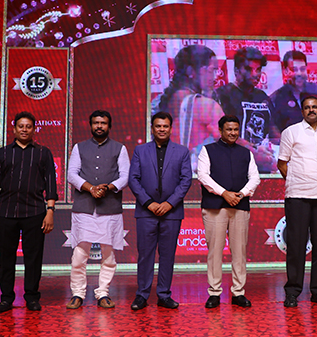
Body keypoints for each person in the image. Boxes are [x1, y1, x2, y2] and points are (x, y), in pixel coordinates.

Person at [0, 112, 57, 313]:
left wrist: (50, 211)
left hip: (35, 213)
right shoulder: (2, 154)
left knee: (33, 258)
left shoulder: (43, 153)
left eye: (28, 126)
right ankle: (6, 298)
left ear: (34, 129)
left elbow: (51, 185)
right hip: (6, 213)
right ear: (14, 129)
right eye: (21, 126)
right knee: (6, 258)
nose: (24, 130)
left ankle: (32, 297)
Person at [128, 111, 193, 310]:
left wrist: (169, 204)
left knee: (167, 255)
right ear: (152, 128)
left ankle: (164, 294)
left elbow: (186, 181)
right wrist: (149, 203)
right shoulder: (140, 150)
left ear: (171, 129)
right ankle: (142, 295)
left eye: (165, 126)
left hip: (171, 212)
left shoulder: (182, 152)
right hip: (146, 211)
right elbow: (133, 179)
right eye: (158, 126)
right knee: (145, 255)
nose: (162, 129)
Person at [278, 96, 317, 308]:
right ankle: (292, 292)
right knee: (296, 245)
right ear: (302, 111)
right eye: (307, 107)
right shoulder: (291, 132)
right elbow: (282, 163)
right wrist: (297, 181)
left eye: (314, 107)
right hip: (298, 196)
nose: (311, 110)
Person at [66, 110, 129, 310]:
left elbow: (125, 176)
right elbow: (71, 174)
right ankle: (78, 293)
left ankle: (103, 293)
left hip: (109, 208)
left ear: (109, 126)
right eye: (96, 123)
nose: (99, 126)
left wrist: (107, 188)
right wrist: (90, 188)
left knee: (108, 255)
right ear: (90, 125)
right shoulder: (79, 147)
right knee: (79, 255)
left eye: (103, 123)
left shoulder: (120, 148)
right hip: (84, 207)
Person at [198, 115, 261, 308]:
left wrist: (240, 194)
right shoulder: (207, 150)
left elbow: (255, 178)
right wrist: (224, 193)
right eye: (229, 129)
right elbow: (203, 176)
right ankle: (214, 293)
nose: (233, 133)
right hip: (215, 207)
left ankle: (238, 292)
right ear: (220, 130)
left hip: (239, 206)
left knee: (239, 252)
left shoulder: (246, 153)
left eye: (235, 129)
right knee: (215, 252)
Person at [214, 46, 276, 172]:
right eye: (248, 69)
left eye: (258, 70)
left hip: (260, 169)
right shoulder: (222, 95)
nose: (255, 74)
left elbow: (273, 133)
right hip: (232, 168)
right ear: (236, 71)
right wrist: (253, 150)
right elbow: (219, 134)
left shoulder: (263, 97)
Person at [156, 44, 223, 159]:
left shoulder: (169, 99)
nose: (215, 77)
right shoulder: (205, 105)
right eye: (211, 70)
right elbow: (230, 141)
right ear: (191, 71)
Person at [269, 49, 317, 136]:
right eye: (294, 69)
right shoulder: (276, 98)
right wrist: (285, 142)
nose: (299, 73)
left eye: (302, 69)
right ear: (285, 71)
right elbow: (272, 128)